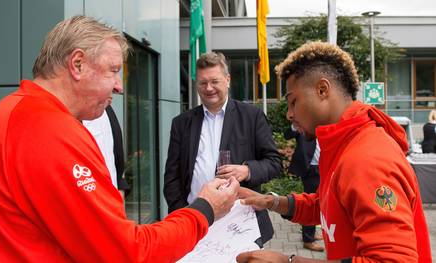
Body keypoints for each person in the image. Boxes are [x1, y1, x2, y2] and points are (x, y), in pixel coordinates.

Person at [0, 16, 240, 262]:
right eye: (112, 70)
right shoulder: (50, 129)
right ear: (77, 64)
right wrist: (204, 210)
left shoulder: (15, 111)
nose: (119, 86)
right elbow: (128, 253)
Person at [237, 41, 432, 263]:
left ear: (322, 89)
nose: (290, 114)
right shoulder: (344, 144)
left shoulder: (367, 158)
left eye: (293, 102)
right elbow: (327, 205)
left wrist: (288, 261)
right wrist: (271, 201)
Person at [163, 52, 282, 246]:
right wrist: (182, 213)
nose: (208, 88)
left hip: (239, 222)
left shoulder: (252, 117)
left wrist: (248, 170)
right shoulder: (181, 123)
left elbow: (274, 162)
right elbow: (172, 177)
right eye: (202, 83)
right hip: (195, 221)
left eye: (214, 81)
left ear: (227, 80)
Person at [284, 126, 323, 252]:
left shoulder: (324, 124)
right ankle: (308, 239)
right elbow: (287, 135)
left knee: (320, 201)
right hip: (310, 169)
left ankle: (311, 233)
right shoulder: (305, 124)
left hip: (323, 166)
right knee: (312, 201)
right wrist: (295, 126)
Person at [83, 105, 131, 197]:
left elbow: (117, 163)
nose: (119, 89)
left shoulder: (108, 111)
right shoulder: (67, 114)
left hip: (110, 204)